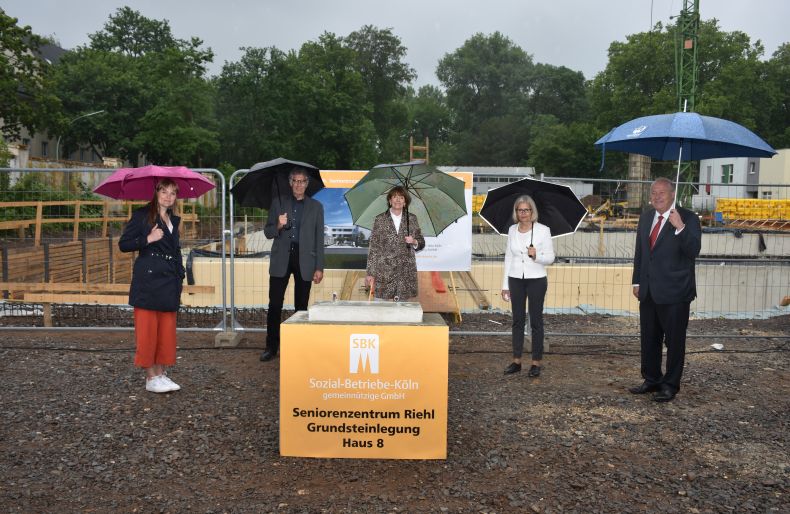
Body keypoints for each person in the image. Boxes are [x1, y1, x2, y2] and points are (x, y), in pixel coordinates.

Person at [630, 177, 701, 402]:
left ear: (672, 195)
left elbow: (693, 251)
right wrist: (637, 281)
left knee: (674, 341)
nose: (657, 197)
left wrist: (680, 226)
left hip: (676, 292)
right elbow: (641, 252)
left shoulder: (687, 218)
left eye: (662, 193)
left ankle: (670, 385)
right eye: (653, 193)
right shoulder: (646, 217)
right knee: (649, 338)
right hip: (649, 290)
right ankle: (651, 379)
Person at [119, 178, 186, 393]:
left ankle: (161, 374)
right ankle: (151, 377)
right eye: (164, 191)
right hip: (149, 279)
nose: (168, 196)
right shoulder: (142, 215)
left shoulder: (174, 220)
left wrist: (181, 275)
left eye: (173, 193)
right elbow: (124, 244)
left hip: (169, 281)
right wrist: (148, 238)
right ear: (155, 192)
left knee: (165, 330)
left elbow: (175, 251)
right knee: (148, 330)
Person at [260, 168, 325, 362]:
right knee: (275, 305)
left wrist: (319, 267)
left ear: (307, 184)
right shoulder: (278, 203)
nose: (298, 184)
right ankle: (271, 347)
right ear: (290, 183)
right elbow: (268, 232)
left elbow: (319, 238)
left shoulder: (316, 206)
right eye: (295, 181)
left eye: (302, 181)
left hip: (305, 260)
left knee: (301, 306)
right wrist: (279, 224)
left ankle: (298, 347)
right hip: (281, 259)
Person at [501, 195, 555, 376]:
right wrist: (505, 285)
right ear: (516, 212)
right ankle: (516, 361)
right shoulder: (512, 230)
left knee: (536, 321)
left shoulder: (543, 230)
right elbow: (508, 256)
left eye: (526, 210)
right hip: (515, 279)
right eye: (519, 210)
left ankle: (536, 362)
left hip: (537, 279)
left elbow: (551, 258)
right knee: (517, 320)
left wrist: (536, 255)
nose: (523, 213)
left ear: (532, 211)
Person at [365, 186, 426, 301]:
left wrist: (414, 241)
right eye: (395, 197)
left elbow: (421, 242)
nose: (398, 200)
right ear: (389, 201)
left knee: (401, 311)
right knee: (381, 310)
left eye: (401, 197)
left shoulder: (412, 219)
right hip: (384, 271)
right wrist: (370, 273)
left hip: (405, 271)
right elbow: (374, 248)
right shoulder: (380, 219)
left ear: (405, 202)